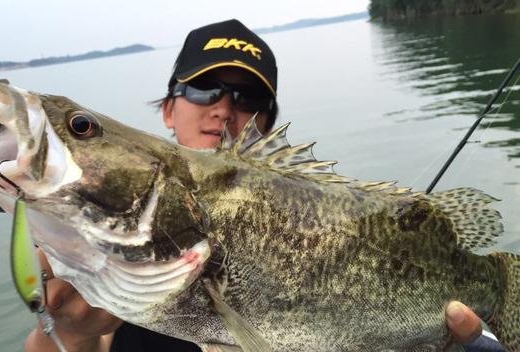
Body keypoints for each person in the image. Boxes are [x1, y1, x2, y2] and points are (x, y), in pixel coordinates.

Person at [25, 19, 493, 352]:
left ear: (267, 126)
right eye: (204, 90)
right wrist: (72, 331)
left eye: (247, 98)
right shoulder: (111, 268)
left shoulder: (330, 216)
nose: (224, 109)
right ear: (168, 109)